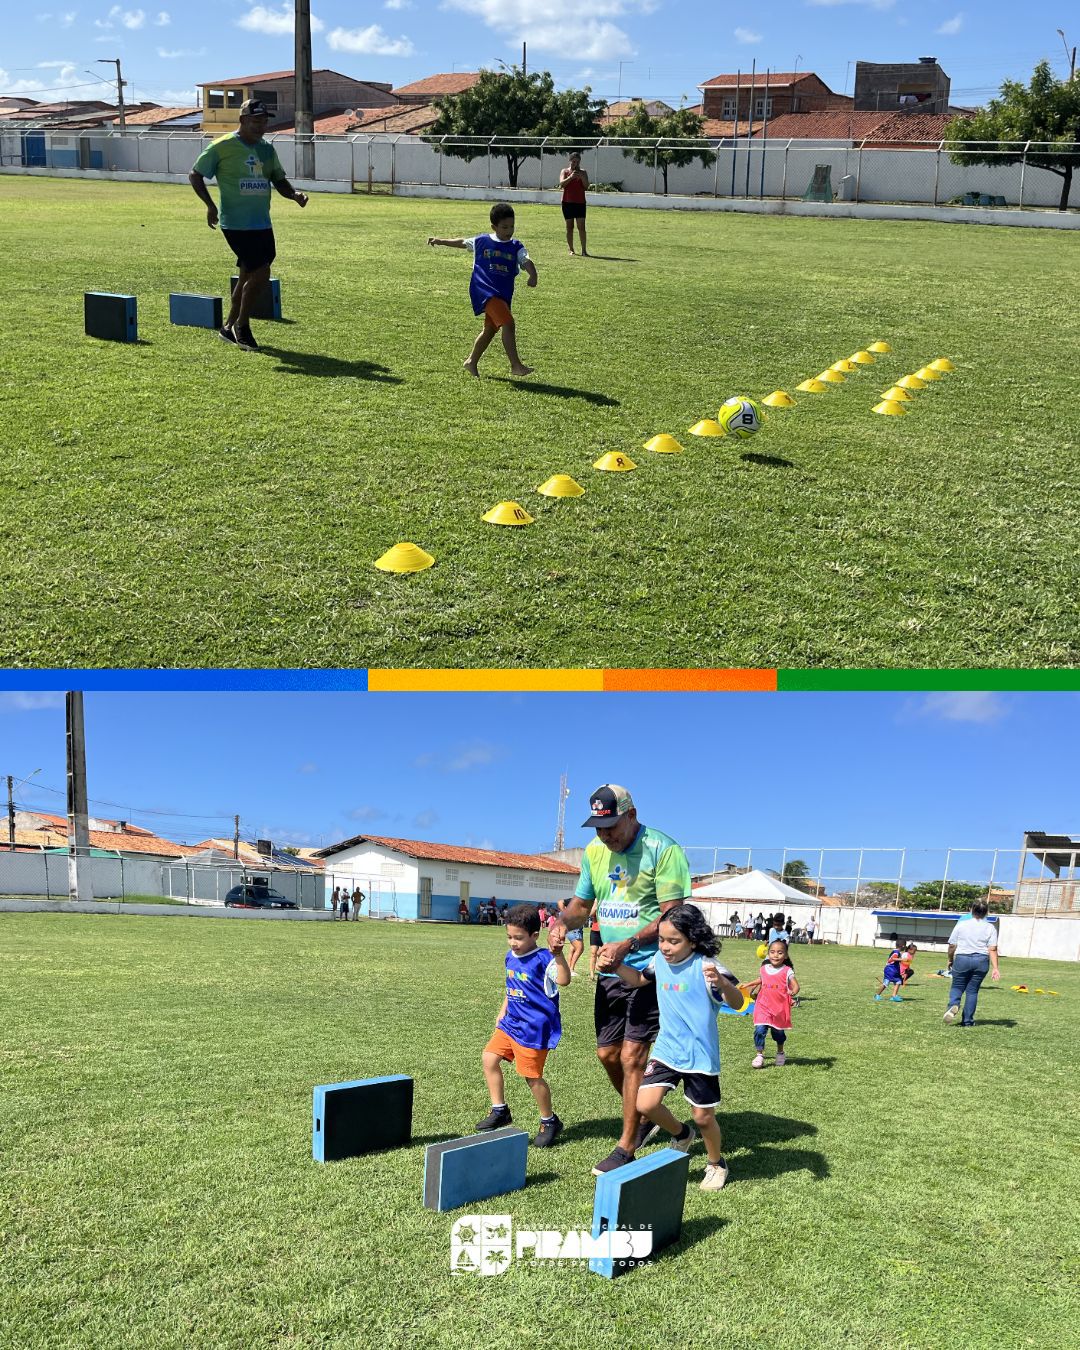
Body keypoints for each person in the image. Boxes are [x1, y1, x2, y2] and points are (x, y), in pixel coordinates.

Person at [548, 783, 692, 1177]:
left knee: (633, 1057)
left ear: (631, 815)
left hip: (651, 969)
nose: (605, 835)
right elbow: (581, 905)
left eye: (611, 826)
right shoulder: (595, 852)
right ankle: (645, 1114)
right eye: (598, 827)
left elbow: (673, 916)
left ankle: (627, 1144)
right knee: (608, 1054)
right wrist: (562, 923)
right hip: (611, 968)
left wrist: (629, 943)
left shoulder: (664, 850)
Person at [613, 904, 744, 1190]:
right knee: (645, 1103)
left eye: (674, 941)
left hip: (700, 1054)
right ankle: (682, 1134)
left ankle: (715, 1163)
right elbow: (637, 980)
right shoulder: (659, 960)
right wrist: (615, 966)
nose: (665, 947)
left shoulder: (707, 966)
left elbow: (738, 1002)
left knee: (704, 1117)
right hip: (667, 1049)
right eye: (662, 939)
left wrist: (722, 983)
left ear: (693, 940)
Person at [188, 98, 308, 351]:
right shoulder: (221, 146)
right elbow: (195, 174)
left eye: (264, 121)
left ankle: (227, 326)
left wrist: (294, 195)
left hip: (262, 222)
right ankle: (242, 325)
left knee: (248, 275)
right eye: (256, 121)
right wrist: (210, 205)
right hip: (236, 223)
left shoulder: (267, 150)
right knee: (261, 272)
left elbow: (279, 179)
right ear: (242, 120)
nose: (261, 126)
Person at [476, 903, 571, 1147]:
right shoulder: (510, 957)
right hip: (510, 1023)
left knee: (531, 1076)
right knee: (489, 1058)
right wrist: (502, 1011)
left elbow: (564, 979)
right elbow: (511, 988)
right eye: (509, 937)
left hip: (533, 1028)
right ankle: (500, 1111)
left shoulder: (543, 959)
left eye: (518, 938)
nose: (512, 942)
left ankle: (549, 1121)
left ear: (534, 935)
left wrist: (558, 954)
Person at [427, 203, 537, 378]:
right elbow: (462, 242)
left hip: (502, 294)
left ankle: (471, 362)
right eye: (504, 227)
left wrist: (533, 275)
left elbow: (526, 261)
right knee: (508, 324)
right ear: (494, 227)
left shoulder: (516, 246)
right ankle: (516, 365)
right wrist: (440, 241)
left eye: (512, 226)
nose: (509, 230)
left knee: (490, 330)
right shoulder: (482, 241)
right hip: (485, 291)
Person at [944, 900, 1000, 1026]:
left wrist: (950, 959)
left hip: (963, 958)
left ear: (971, 910)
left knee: (957, 987)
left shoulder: (961, 925)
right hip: (981, 961)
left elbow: (952, 945)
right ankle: (968, 1021)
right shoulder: (990, 927)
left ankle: (953, 1005)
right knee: (972, 991)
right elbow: (992, 949)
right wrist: (995, 968)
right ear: (986, 913)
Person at [747, 939, 799, 1067]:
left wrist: (793, 992)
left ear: (785, 955)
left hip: (779, 1008)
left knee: (778, 1033)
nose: (776, 955)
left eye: (780, 953)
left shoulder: (787, 971)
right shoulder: (764, 968)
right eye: (772, 952)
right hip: (763, 1006)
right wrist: (749, 986)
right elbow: (761, 980)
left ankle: (780, 1052)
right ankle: (759, 1055)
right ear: (768, 954)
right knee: (759, 1029)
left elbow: (796, 985)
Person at [558, 150, 590, 256]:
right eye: (573, 161)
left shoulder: (583, 172)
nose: (575, 164)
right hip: (567, 202)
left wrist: (581, 177)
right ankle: (571, 249)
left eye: (577, 162)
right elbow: (562, 184)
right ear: (570, 161)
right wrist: (571, 177)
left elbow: (586, 186)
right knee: (569, 227)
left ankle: (584, 250)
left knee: (581, 227)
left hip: (580, 203)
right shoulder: (565, 171)